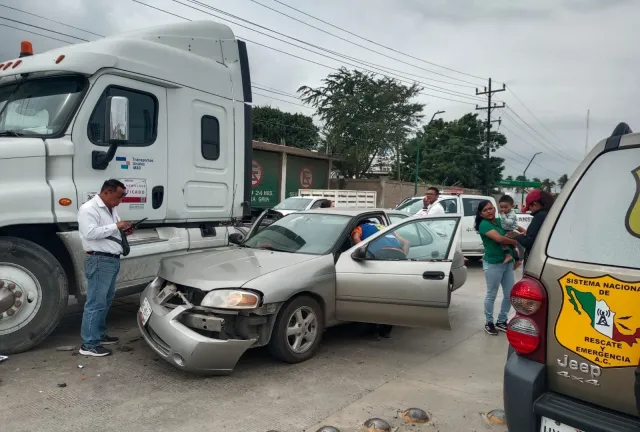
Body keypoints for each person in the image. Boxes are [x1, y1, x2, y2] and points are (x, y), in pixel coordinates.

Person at [78, 179, 133, 357]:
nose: (119, 201)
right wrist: (116, 226)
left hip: (111, 260)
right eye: (118, 197)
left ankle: (99, 335)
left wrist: (124, 230)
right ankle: (89, 344)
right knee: (95, 302)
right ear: (107, 192)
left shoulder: (112, 208)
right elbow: (90, 233)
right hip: (99, 260)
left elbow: (110, 231)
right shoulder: (89, 209)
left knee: (106, 300)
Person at [350, 219, 409, 339]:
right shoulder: (384, 227)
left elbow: (356, 238)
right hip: (397, 259)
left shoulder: (361, 227)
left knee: (374, 296)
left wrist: (365, 255)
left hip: (379, 258)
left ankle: (372, 332)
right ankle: (386, 331)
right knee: (390, 296)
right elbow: (406, 242)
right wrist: (402, 256)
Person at [475, 200, 519, 335]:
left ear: (494, 209)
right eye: (485, 210)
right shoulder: (484, 225)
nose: (489, 212)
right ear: (481, 214)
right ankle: (489, 322)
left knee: (509, 294)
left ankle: (501, 321)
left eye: (490, 208)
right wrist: (515, 241)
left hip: (508, 262)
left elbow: (512, 229)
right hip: (493, 263)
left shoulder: (501, 221)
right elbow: (500, 239)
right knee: (491, 294)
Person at [514, 189, 554, 263]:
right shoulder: (553, 214)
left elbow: (529, 241)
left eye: (529, 208)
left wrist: (517, 235)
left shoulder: (540, 216)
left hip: (536, 260)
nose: (530, 210)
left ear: (535, 204)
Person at [498, 195, 522, 270]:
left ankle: (508, 255)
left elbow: (509, 223)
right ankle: (517, 260)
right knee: (512, 246)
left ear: (512, 206)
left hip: (511, 231)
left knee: (502, 241)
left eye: (506, 207)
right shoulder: (506, 214)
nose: (503, 209)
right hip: (508, 230)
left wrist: (503, 216)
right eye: (501, 207)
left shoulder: (512, 214)